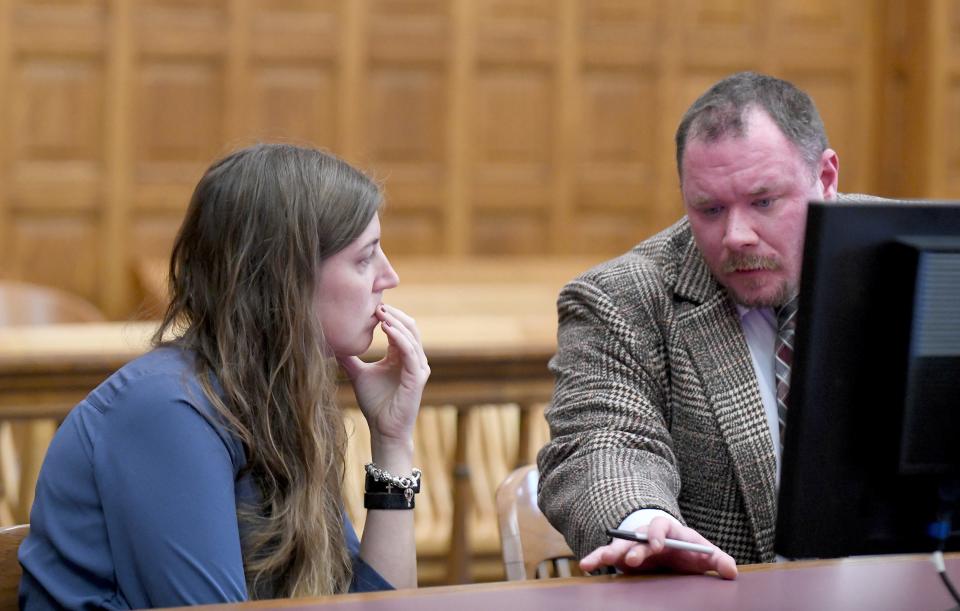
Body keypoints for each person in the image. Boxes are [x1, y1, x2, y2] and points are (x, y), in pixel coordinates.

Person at [19, 143, 430, 608]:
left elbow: (376, 605)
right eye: (365, 258)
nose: (389, 276)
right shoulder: (167, 411)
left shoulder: (280, 397)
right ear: (284, 277)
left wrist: (392, 442)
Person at [536, 72, 868, 579]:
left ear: (825, 179)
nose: (736, 236)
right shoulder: (623, 300)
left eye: (763, 202)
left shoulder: (914, 257)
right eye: (709, 209)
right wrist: (645, 524)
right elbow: (602, 444)